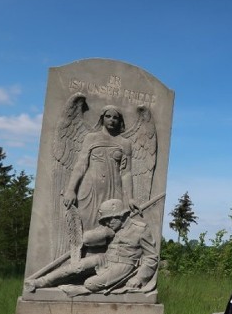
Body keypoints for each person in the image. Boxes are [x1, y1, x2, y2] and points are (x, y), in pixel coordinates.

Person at [25, 198, 158, 294]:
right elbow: (87, 240)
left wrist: (139, 278)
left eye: (110, 219)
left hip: (124, 264)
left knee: (91, 283)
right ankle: (39, 282)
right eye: (105, 220)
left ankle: (81, 289)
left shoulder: (140, 229)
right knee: (75, 267)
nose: (107, 222)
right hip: (105, 258)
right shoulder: (109, 227)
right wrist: (106, 232)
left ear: (122, 216)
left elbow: (151, 257)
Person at [63, 106, 134, 232]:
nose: (111, 120)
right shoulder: (91, 138)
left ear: (119, 121)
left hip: (113, 189)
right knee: (85, 224)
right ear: (102, 118)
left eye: (115, 117)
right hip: (90, 189)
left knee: (112, 227)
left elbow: (126, 173)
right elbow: (81, 165)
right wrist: (71, 189)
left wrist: (130, 198)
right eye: (108, 116)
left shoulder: (125, 143)